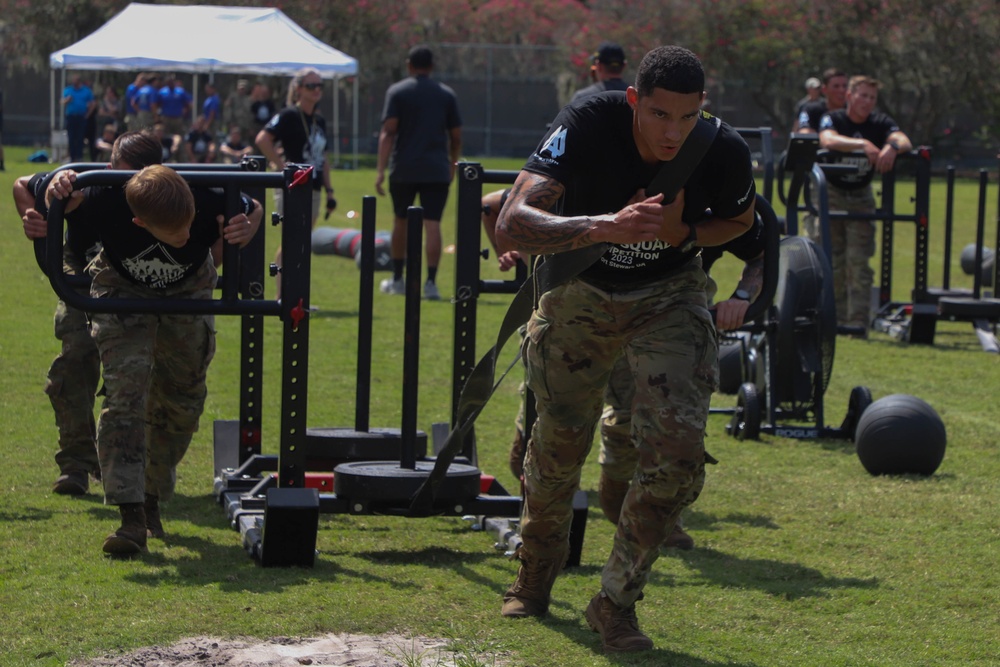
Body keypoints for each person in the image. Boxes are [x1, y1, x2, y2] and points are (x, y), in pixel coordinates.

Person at [494, 46, 755, 652]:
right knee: (559, 442)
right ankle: (535, 574)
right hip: (581, 291)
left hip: (670, 297)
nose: (673, 133)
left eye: (687, 118)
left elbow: (742, 224)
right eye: (660, 115)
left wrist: (683, 232)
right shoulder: (588, 120)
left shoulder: (723, 149)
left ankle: (615, 603)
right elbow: (513, 220)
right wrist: (602, 226)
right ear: (634, 99)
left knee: (679, 454)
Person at [45, 132, 263, 556]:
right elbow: (38, 191)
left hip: (188, 290)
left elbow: (251, 207)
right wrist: (56, 187)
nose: (186, 233)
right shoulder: (105, 201)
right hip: (123, 289)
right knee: (125, 397)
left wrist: (247, 224)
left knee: (182, 400)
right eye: (175, 231)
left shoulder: (203, 195)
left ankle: (152, 496)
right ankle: (131, 516)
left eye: (188, 223)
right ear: (139, 222)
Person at [597, 215, 766, 550]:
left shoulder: (711, 195)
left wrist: (743, 295)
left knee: (677, 421)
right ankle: (615, 477)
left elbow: (761, 252)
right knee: (625, 417)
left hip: (680, 318)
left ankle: (666, 517)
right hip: (613, 305)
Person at [817, 75, 912, 333]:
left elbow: (904, 140)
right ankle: (831, 320)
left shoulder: (879, 122)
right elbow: (827, 140)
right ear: (849, 96)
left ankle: (857, 322)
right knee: (830, 260)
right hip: (831, 193)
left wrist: (891, 147)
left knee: (859, 262)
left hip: (861, 196)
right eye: (862, 95)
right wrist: (862, 145)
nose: (867, 102)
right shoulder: (835, 119)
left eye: (872, 97)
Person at [375, 45, 463, 301]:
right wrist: (452, 163)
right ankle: (431, 283)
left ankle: (398, 279)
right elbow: (456, 136)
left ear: (409, 65)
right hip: (436, 168)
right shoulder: (446, 95)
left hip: (404, 167)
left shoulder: (398, 91)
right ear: (432, 67)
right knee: (432, 223)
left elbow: (388, 132)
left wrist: (380, 170)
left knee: (400, 221)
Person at [255, 68, 335, 297]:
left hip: (315, 186)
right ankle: (284, 295)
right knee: (292, 239)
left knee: (302, 242)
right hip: (293, 187)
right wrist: (283, 168)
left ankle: (295, 294)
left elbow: (324, 158)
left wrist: (330, 191)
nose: (317, 90)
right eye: (311, 86)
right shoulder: (290, 115)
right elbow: (263, 139)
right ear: (298, 89)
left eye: (320, 86)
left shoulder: (319, 120)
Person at [794, 67, 847, 135]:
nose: (842, 90)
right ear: (824, 90)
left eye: (845, 86)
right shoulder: (810, 109)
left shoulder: (853, 111)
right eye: (836, 86)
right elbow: (803, 133)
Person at [62, 75, 96, 162]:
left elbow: (93, 103)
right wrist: (67, 100)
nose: (74, 82)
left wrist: (88, 114)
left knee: (80, 137)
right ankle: (72, 157)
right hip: (71, 117)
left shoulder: (86, 91)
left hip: (81, 117)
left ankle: (79, 156)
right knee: (71, 137)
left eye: (76, 80)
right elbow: (62, 102)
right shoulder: (68, 90)